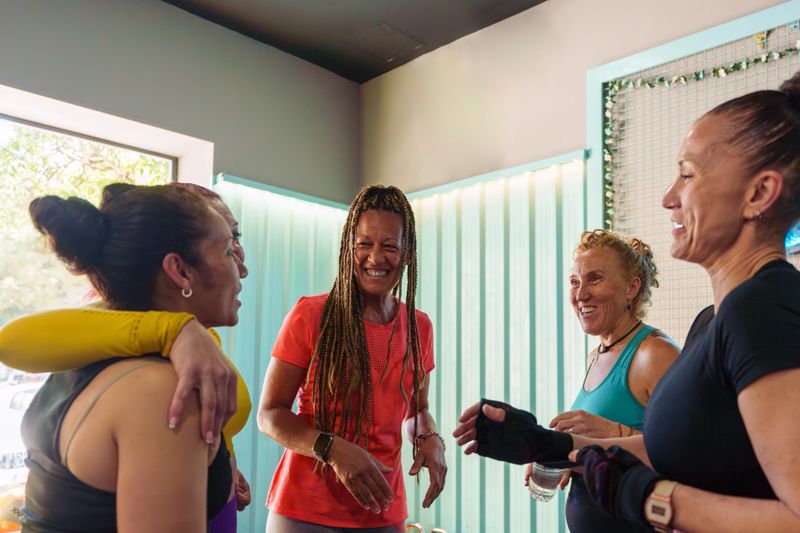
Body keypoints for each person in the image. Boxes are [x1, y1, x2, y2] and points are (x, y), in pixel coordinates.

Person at [455, 71, 800, 532]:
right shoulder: (711, 322)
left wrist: (655, 500)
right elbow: (677, 450)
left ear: (759, 193)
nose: (668, 199)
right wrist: (549, 445)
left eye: (687, 175)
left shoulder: (763, 309)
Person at [0, 183, 253, 530]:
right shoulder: (163, 391)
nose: (242, 269)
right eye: (227, 251)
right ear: (180, 271)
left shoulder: (88, 355)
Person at [258, 185, 447, 531]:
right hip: (304, 512)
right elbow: (270, 415)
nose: (376, 257)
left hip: (383, 512)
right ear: (349, 247)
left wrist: (430, 437)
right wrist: (331, 448)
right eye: (365, 244)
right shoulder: (310, 315)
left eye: (390, 245)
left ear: (407, 253)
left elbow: (416, 411)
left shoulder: (419, 327)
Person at [530, 230, 678, 532]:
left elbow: (690, 452)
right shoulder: (596, 355)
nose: (580, 294)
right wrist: (566, 456)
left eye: (595, 278)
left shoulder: (654, 353)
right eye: (574, 281)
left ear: (631, 288)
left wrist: (616, 432)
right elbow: (605, 453)